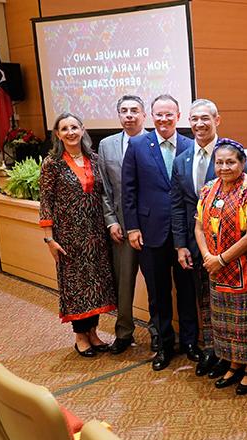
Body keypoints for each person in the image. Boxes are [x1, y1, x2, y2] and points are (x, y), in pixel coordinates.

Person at [170, 99, 247, 377]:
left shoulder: (234, 153)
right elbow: (179, 205)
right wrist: (182, 245)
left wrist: (222, 255)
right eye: (194, 119)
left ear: (217, 119)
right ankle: (212, 351)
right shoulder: (182, 159)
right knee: (206, 303)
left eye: (205, 118)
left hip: (233, 250)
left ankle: (233, 358)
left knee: (232, 308)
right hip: (200, 247)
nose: (199, 124)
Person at [121, 94, 197, 371]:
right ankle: (164, 345)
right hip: (150, 232)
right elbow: (128, 191)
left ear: (178, 116)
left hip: (184, 234)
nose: (163, 119)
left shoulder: (190, 145)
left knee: (187, 291)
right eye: (158, 114)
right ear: (151, 116)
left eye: (169, 114)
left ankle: (190, 342)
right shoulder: (138, 145)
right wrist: (132, 227)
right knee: (158, 293)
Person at [39, 112, 117, 356]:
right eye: (65, 129)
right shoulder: (52, 163)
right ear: (57, 134)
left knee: (96, 284)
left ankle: (93, 333)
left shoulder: (94, 159)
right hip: (68, 236)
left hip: (95, 234)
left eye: (74, 127)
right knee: (76, 286)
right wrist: (49, 238)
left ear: (83, 130)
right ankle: (80, 336)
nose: (70, 132)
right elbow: (46, 201)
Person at [194, 139, 247, 394]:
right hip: (214, 268)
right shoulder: (208, 189)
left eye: (230, 162)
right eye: (219, 162)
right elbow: (199, 226)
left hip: (243, 267)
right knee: (223, 321)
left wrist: (221, 258)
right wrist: (207, 257)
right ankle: (233, 364)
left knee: (244, 321)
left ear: (242, 163)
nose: (224, 167)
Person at [97, 95, 160, 355]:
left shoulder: (155, 142)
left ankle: (158, 333)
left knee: (156, 284)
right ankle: (123, 332)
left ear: (144, 115)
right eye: (124, 111)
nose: (129, 115)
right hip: (121, 227)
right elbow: (104, 188)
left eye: (135, 110)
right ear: (119, 116)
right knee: (123, 283)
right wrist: (111, 221)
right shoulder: (107, 145)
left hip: (150, 226)